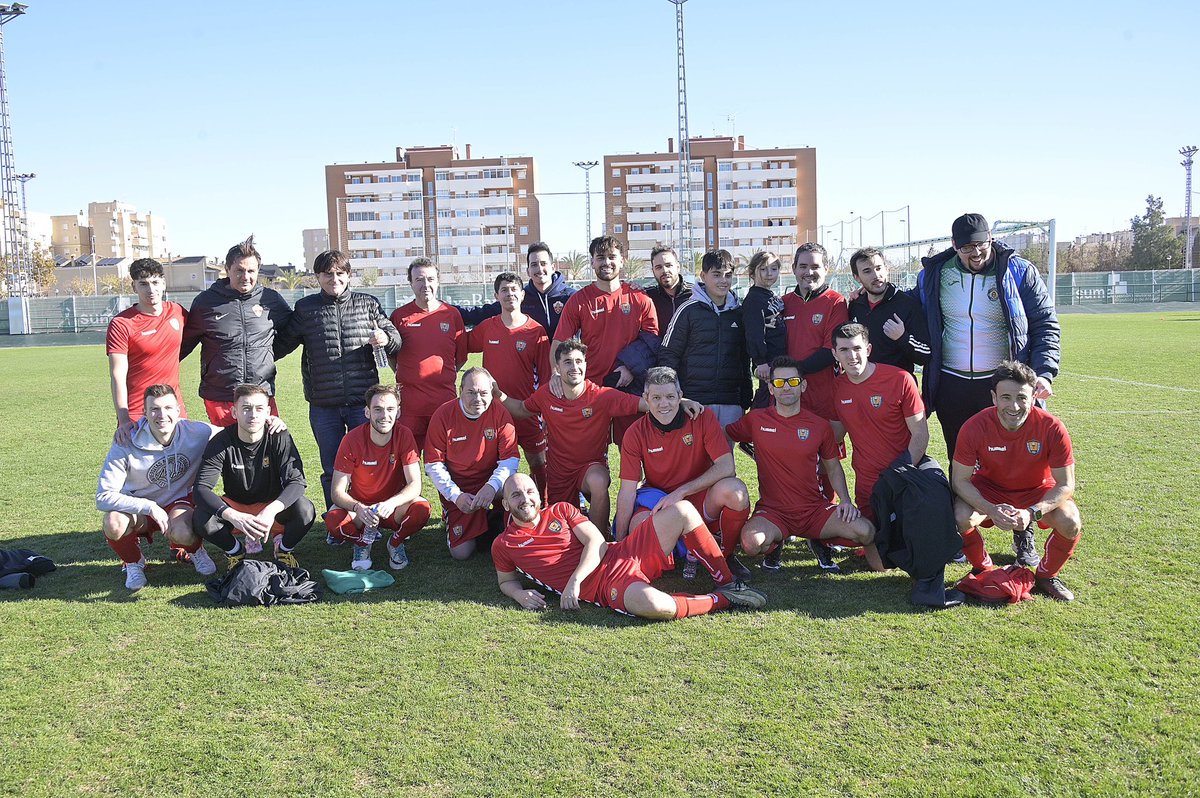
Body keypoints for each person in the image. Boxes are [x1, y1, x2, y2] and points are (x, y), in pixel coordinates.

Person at [493, 473, 767, 619]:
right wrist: (518, 595)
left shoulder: (562, 510)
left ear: (539, 496)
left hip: (622, 552)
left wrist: (575, 580)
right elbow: (506, 581)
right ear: (506, 504)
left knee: (683, 510)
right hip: (604, 587)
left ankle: (728, 582)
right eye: (515, 495)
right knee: (654, 606)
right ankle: (723, 600)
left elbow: (597, 541)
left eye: (529, 492)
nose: (525, 499)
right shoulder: (504, 544)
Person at [497, 341, 698, 537]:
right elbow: (522, 409)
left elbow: (646, 404)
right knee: (563, 533)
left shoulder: (601, 396)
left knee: (598, 481)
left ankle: (601, 537)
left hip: (590, 468)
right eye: (567, 362)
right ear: (557, 367)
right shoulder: (547, 395)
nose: (574, 366)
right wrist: (497, 394)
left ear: (585, 364)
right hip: (558, 474)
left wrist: (680, 401)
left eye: (578, 361)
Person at [915, 213, 1060, 462]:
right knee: (961, 460)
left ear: (991, 238)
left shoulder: (1019, 271)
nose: (976, 253)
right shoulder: (934, 274)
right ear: (954, 245)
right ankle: (962, 501)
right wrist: (868, 293)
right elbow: (908, 304)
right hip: (952, 385)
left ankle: (1008, 502)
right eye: (966, 247)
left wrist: (1044, 372)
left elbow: (1045, 324)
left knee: (1006, 461)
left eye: (981, 244)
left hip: (1001, 384)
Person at [274, 250, 401, 509]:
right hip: (324, 405)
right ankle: (336, 519)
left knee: (366, 464)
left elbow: (395, 338)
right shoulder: (306, 309)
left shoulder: (368, 304)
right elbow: (280, 345)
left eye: (340, 273)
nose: (334, 278)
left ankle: (369, 514)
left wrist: (386, 339)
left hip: (362, 404)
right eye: (327, 274)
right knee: (332, 466)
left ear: (348, 275)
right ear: (318, 277)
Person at [726, 357, 876, 574]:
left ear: (803, 385)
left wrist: (845, 500)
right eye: (779, 383)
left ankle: (820, 539)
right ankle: (776, 545)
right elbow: (723, 434)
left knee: (866, 532)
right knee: (751, 545)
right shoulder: (756, 419)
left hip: (814, 511)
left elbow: (833, 467)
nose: (786, 387)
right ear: (771, 388)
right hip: (773, 511)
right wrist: (686, 405)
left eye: (793, 382)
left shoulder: (819, 426)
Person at [951, 361, 1081, 600]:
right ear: (994, 397)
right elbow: (959, 481)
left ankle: (1046, 575)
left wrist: (1032, 513)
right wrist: (990, 509)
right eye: (1006, 397)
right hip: (990, 490)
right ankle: (983, 568)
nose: (1014, 406)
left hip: (1037, 491)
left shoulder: (1052, 427)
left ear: (1033, 398)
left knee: (1070, 522)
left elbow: (1065, 484)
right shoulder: (974, 427)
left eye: (1022, 397)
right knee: (961, 517)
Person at [613, 366, 752, 581]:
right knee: (637, 527)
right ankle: (678, 552)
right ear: (646, 398)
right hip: (662, 502)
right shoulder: (635, 432)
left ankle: (725, 554)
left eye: (670, 396)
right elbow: (627, 492)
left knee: (736, 490)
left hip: (702, 499)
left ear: (680, 396)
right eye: (656, 397)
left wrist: (682, 492)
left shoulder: (702, 417)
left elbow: (727, 467)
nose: (663, 404)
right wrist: (619, 542)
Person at [96, 384, 217, 590]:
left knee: (184, 531)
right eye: (154, 409)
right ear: (144, 413)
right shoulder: (125, 441)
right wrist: (149, 507)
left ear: (178, 410)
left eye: (168, 408)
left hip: (177, 503)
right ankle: (134, 562)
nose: (162, 415)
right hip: (139, 508)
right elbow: (103, 496)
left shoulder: (198, 431)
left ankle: (196, 550)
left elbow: (236, 433)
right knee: (114, 523)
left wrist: (269, 421)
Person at [829, 323, 928, 572]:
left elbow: (920, 434)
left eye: (857, 348)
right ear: (835, 354)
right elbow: (834, 436)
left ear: (869, 349)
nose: (852, 357)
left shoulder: (900, 379)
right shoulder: (838, 387)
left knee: (916, 558)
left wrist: (901, 471)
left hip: (904, 476)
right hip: (867, 483)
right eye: (844, 350)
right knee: (880, 568)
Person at [193, 384, 315, 571]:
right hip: (237, 507)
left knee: (305, 509)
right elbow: (201, 489)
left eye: (259, 409)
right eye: (246, 408)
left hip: (272, 507)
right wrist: (233, 515)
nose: (253, 415)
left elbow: (297, 481)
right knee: (201, 516)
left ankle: (283, 550)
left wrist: (270, 511)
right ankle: (235, 552)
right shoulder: (221, 441)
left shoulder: (278, 436)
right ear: (234, 412)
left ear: (268, 412)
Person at [180, 236, 292, 426]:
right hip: (221, 395)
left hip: (260, 394)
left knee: (266, 451)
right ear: (227, 270)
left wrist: (270, 352)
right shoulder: (206, 302)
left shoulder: (270, 299)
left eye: (251, 271)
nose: (246, 277)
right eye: (239, 270)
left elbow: (292, 331)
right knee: (228, 452)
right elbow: (183, 345)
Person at [327, 384, 431, 572]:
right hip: (361, 509)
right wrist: (359, 508)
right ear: (367, 412)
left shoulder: (404, 435)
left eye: (390, 409)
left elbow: (415, 485)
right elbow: (336, 491)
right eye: (378, 409)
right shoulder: (351, 439)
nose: (385, 415)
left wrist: (391, 503)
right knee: (334, 520)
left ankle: (395, 542)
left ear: (398, 412)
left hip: (391, 509)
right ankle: (362, 543)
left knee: (422, 508)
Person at [466, 272, 551, 500]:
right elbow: (462, 346)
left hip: (527, 410)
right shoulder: (487, 328)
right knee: (491, 464)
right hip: (493, 412)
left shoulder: (536, 331)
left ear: (522, 295)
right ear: (496, 295)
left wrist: (541, 409)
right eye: (504, 290)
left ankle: (541, 505)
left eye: (514, 289)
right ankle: (494, 513)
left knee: (538, 462)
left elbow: (546, 377)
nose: (509, 294)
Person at [424, 367, 519, 560]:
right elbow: (433, 464)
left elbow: (511, 459)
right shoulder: (443, 415)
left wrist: (491, 487)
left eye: (484, 393)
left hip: (490, 483)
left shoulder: (500, 413)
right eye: (471, 392)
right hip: (461, 489)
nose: (478, 398)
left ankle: (500, 521)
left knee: (517, 484)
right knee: (462, 553)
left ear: (491, 393)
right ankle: (471, 518)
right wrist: (455, 495)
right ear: (460, 391)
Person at [658, 248, 752, 425]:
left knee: (725, 453)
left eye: (728, 275)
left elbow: (743, 359)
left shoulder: (739, 313)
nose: (723, 281)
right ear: (703, 275)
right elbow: (668, 355)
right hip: (694, 402)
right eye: (717, 275)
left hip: (730, 402)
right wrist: (677, 396)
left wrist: (745, 399)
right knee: (694, 453)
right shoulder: (687, 310)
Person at [554, 235, 659, 391]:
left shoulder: (640, 298)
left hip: (631, 386)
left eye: (612, 257)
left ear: (622, 261)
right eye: (600, 257)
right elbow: (559, 343)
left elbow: (652, 341)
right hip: (592, 387)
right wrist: (556, 375)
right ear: (592, 262)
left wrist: (630, 367)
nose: (606, 262)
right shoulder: (579, 300)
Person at [107, 258, 188, 446]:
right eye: (143, 284)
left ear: (163, 283)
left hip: (173, 408)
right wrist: (124, 418)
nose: (151, 290)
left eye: (155, 282)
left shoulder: (177, 312)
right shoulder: (122, 324)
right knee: (142, 470)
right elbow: (117, 374)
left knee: (181, 464)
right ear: (134, 286)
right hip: (139, 410)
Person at [390, 257, 467, 451]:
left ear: (438, 281)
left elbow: (460, 357)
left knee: (448, 462)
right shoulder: (399, 317)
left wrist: (441, 377)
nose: (426, 284)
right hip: (410, 405)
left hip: (444, 402)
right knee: (407, 463)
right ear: (410, 283)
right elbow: (392, 355)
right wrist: (410, 376)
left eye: (431, 279)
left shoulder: (452, 314)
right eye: (419, 279)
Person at [783, 242, 848, 422]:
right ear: (794, 268)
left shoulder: (836, 302)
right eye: (803, 266)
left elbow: (830, 352)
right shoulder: (783, 303)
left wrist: (791, 372)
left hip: (823, 395)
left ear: (826, 268)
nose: (809, 272)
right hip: (788, 393)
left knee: (828, 447)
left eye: (815, 266)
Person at [456, 242, 577, 336]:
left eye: (543, 263)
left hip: (565, 366)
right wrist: (443, 309)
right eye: (534, 265)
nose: (539, 269)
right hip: (531, 367)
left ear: (553, 267)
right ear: (528, 271)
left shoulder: (571, 297)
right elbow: (477, 314)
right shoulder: (519, 298)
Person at [846, 247, 930, 376]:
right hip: (864, 384)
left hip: (897, 386)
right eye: (867, 271)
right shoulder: (855, 305)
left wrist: (903, 337)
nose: (876, 275)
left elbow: (926, 354)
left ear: (887, 269)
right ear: (857, 277)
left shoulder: (907, 304)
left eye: (879, 268)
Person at [741, 251, 788, 409]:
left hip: (780, 359)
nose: (769, 274)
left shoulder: (771, 296)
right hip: (768, 363)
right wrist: (760, 362)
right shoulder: (754, 299)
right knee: (767, 400)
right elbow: (754, 333)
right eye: (763, 269)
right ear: (752, 273)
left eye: (774, 269)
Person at [644, 245, 693, 327]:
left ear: (678, 267)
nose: (664, 270)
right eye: (658, 267)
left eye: (668, 265)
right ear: (653, 271)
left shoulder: (696, 294)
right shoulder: (648, 296)